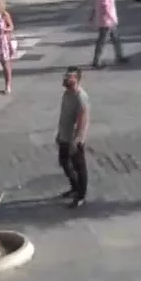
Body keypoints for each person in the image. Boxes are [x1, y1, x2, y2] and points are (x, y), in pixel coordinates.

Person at [57, 67, 90, 208]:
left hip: (74, 140)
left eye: (69, 77)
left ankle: (81, 195)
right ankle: (74, 186)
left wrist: (76, 141)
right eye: (65, 76)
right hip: (64, 135)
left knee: (79, 166)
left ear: (76, 79)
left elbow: (83, 122)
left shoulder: (81, 97)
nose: (65, 79)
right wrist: (59, 134)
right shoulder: (66, 94)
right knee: (64, 162)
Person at [91, 0, 127, 68]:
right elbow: (104, 6)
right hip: (107, 21)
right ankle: (96, 61)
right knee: (102, 41)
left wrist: (92, 15)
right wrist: (111, 18)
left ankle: (120, 56)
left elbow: (96, 4)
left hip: (107, 20)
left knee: (116, 38)